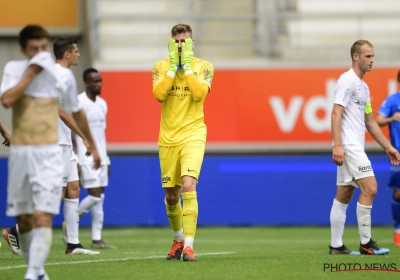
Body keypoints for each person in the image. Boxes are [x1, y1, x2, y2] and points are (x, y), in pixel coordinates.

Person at [0, 25, 100, 280]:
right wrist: (32, 72)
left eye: (43, 47)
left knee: (48, 210)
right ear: (24, 50)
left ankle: (37, 270)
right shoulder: (14, 69)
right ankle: (25, 250)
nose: (40, 52)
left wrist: (90, 142)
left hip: (51, 150)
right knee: (26, 218)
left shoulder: (63, 77)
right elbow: (7, 100)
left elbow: (74, 109)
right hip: (23, 153)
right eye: (34, 49)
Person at [329, 39, 400, 256]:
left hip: (353, 145)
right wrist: (338, 146)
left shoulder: (364, 87)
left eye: (373, 56)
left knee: (344, 194)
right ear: (355, 57)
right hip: (349, 147)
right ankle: (366, 243)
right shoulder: (346, 81)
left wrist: (388, 147)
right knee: (370, 188)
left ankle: (336, 246)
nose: (372, 60)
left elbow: (370, 121)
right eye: (368, 56)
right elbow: (335, 113)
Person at [152, 23, 214, 262]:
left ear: (192, 43)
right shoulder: (160, 66)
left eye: (184, 42)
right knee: (171, 196)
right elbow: (159, 95)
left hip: (193, 134)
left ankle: (189, 246)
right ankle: (178, 240)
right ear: (171, 42)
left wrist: (186, 67)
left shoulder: (204, 67)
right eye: (176, 42)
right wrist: (173, 69)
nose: (180, 45)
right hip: (168, 138)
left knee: (189, 186)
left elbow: (199, 94)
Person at [76, 68, 115, 249]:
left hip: (101, 157)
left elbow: (101, 134)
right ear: (86, 83)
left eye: (100, 81)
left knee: (100, 199)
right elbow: (73, 131)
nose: (99, 84)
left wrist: (106, 159)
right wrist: (75, 157)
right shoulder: (78, 102)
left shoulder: (103, 104)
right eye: (95, 81)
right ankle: (72, 218)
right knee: (95, 195)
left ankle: (96, 239)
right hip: (85, 156)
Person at [376, 70, 400, 246]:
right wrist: (392, 118)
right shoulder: (392, 101)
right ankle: (398, 230)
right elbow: (378, 120)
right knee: (398, 192)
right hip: (399, 154)